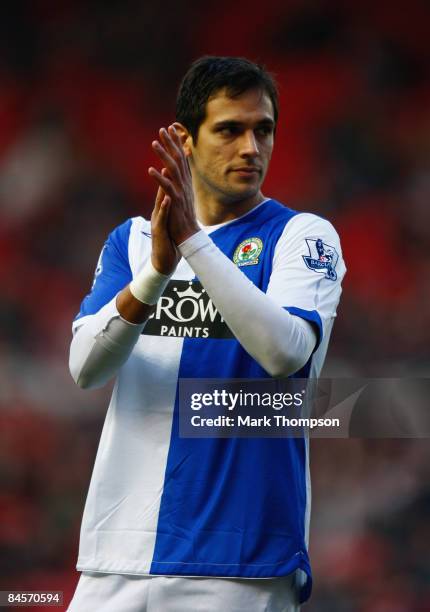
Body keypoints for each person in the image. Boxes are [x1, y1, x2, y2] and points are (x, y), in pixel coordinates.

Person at [67, 56, 346, 612]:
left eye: (262, 130)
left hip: (239, 562)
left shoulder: (302, 236)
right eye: (229, 130)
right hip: (117, 554)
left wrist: (194, 242)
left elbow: (285, 352)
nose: (250, 147)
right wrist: (155, 272)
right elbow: (84, 368)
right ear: (185, 140)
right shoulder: (134, 241)